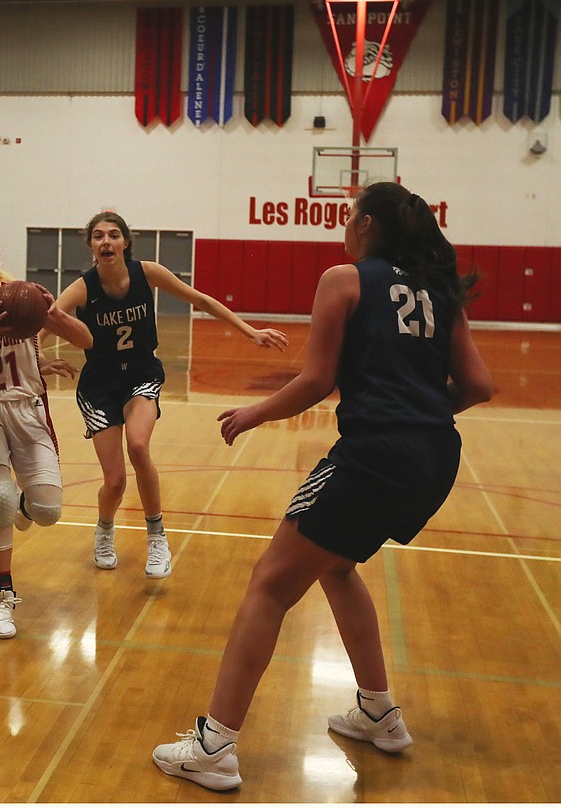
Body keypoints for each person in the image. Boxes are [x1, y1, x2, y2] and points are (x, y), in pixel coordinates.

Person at [151, 183, 494, 792]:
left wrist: (253, 413)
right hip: (437, 456)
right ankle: (378, 714)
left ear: (365, 225)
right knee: (335, 566)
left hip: (372, 455)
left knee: (269, 583)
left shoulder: (344, 278)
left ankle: (214, 746)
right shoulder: (442, 291)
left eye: (349, 214)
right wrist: (419, 414)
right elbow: (477, 385)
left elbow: (316, 380)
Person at [51, 212, 288, 579]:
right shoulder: (84, 287)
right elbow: (48, 317)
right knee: (115, 482)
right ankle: (104, 529)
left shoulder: (148, 272)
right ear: (91, 246)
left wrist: (249, 331)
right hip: (99, 386)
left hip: (141, 375)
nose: (106, 241)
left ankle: (157, 536)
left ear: (125, 242)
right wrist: (36, 362)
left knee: (139, 447)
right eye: (98, 236)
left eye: (114, 235)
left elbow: (201, 299)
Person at [0, 231, 94, 640]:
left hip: (29, 409)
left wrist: (53, 316)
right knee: (1, 499)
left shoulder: (24, 299)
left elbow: (87, 340)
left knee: (47, 512)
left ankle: (25, 506)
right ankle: (1, 594)